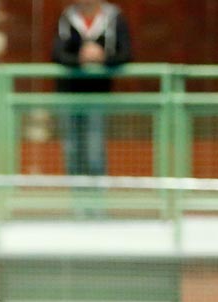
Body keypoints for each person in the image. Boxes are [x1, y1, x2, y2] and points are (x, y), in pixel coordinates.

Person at [51, 0, 132, 180]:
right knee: (72, 149)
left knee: (95, 149)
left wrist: (102, 57)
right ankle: (77, 205)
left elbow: (126, 53)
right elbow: (57, 54)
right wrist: (80, 58)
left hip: (98, 95)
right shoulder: (66, 17)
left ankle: (97, 205)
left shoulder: (114, 17)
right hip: (69, 95)